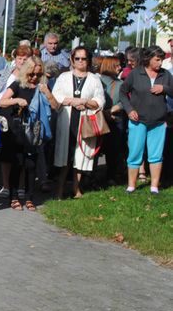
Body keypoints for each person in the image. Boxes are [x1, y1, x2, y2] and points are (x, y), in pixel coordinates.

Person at [0, 56, 58, 211]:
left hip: (36, 131)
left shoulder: (42, 86)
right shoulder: (18, 84)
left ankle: (30, 198)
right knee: (17, 164)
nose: (35, 77)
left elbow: (55, 106)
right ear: (26, 72)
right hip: (18, 130)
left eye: (38, 74)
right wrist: (16, 100)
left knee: (31, 165)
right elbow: (2, 101)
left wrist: (47, 93)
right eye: (32, 74)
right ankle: (14, 197)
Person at [52, 46, 105, 199]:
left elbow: (100, 101)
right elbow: (56, 97)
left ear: (88, 60)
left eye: (84, 58)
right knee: (65, 156)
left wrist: (86, 102)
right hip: (66, 120)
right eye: (77, 58)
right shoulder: (64, 77)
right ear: (72, 60)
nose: (81, 61)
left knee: (80, 156)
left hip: (85, 121)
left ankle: (76, 189)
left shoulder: (95, 79)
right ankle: (59, 190)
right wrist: (73, 101)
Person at [120, 46, 173, 195]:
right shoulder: (136, 74)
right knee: (135, 153)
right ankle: (131, 185)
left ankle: (154, 187)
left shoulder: (165, 75)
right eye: (157, 59)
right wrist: (129, 110)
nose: (160, 63)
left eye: (161, 59)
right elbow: (123, 93)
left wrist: (164, 89)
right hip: (138, 121)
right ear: (148, 59)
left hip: (158, 121)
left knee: (156, 155)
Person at [0, 45, 32, 198]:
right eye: (19, 58)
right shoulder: (5, 73)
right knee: (5, 153)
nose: (21, 61)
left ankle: (21, 185)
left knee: (22, 153)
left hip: (23, 115)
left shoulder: (31, 76)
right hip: (5, 114)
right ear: (15, 59)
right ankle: (6, 185)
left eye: (25, 59)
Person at [98, 56, 126, 185]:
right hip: (99, 118)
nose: (120, 68)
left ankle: (111, 176)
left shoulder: (120, 83)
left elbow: (124, 101)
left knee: (113, 150)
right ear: (110, 66)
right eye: (117, 65)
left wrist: (115, 108)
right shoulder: (96, 80)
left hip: (115, 119)